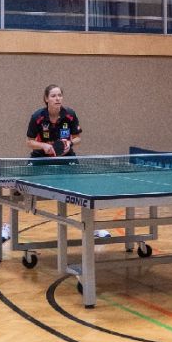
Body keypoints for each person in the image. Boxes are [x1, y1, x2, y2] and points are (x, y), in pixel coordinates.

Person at [25, 84, 110, 238]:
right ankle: (7, 227)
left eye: (59, 95)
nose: (57, 98)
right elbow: (29, 142)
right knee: (20, 189)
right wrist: (44, 146)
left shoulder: (69, 115)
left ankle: (94, 228)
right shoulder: (37, 117)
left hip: (66, 157)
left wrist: (69, 143)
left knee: (85, 190)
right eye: (53, 96)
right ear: (46, 99)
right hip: (41, 157)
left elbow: (78, 138)